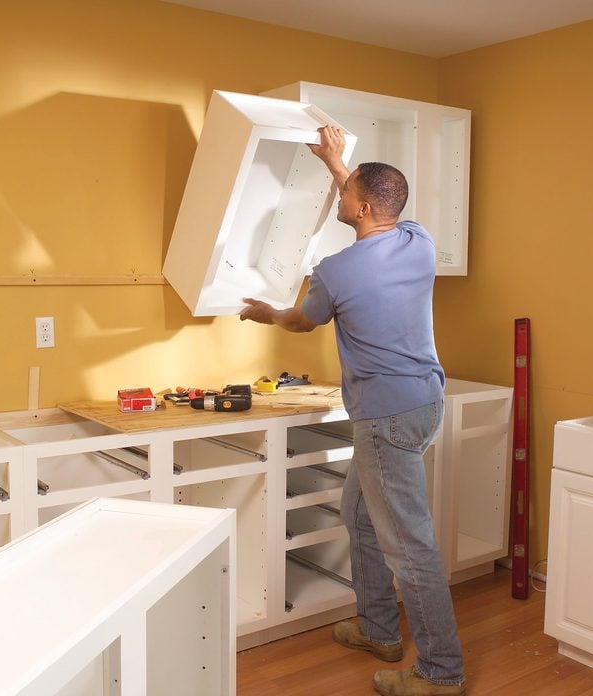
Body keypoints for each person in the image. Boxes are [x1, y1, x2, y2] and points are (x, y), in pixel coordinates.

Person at [240, 125, 466, 696]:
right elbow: (369, 200)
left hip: (384, 417)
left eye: (345, 196)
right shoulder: (418, 241)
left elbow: (300, 321)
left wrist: (267, 312)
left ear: (361, 208)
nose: (340, 200)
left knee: (409, 545)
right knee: (361, 515)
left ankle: (442, 672)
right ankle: (380, 630)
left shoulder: (336, 273)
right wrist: (339, 163)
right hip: (425, 404)